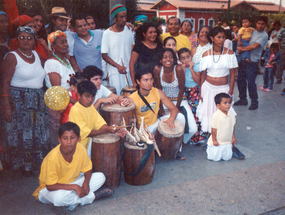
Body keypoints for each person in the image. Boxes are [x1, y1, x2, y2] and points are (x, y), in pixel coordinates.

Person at [0, 26, 49, 176]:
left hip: (37, 101)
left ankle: (35, 164)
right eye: (22, 37)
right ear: (16, 39)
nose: (26, 40)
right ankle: (23, 167)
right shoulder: (11, 57)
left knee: (37, 133)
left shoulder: (36, 55)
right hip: (18, 102)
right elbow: (5, 83)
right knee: (21, 135)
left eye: (29, 37)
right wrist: (6, 106)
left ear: (35, 41)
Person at [32, 122, 114, 212]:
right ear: (59, 140)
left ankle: (68, 203)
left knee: (100, 177)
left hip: (73, 182)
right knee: (59, 199)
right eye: (65, 138)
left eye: (72, 138)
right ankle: (93, 197)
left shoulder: (80, 148)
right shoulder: (53, 158)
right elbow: (50, 186)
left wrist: (86, 183)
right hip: (50, 190)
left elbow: (87, 169)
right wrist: (74, 187)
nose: (69, 142)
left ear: (79, 139)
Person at [129, 69, 186, 159]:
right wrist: (145, 133)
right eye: (145, 80)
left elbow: (174, 109)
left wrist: (171, 119)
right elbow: (134, 122)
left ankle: (177, 150)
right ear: (138, 81)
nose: (149, 82)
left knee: (180, 117)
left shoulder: (157, 92)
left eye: (151, 79)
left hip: (156, 124)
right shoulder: (132, 99)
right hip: (143, 129)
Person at [196, 26, 237, 133]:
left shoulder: (230, 54)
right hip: (208, 89)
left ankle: (228, 141)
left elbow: (232, 74)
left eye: (223, 37)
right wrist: (201, 92)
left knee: (225, 115)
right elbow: (203, 75)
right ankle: (212, 141)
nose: (222, 40)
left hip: (223, 89)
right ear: (212, 38)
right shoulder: (206, 54)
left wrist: (230, 92)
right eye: (219, 37)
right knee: (210, 114)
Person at [69, 80, 126, 157]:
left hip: (85, 146)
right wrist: (107, 130)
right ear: (79, 95)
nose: (90, 100)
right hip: (75, 149)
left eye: (93, 96)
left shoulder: (90, 107)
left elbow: (99, 124)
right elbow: (86, 133)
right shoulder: (76, 110)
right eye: (87, 96)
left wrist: (112, 129)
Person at [154, 48, 197, 144]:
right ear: (160, 60)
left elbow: (181, 89)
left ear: (174, 59)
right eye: (165, 57)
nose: (168, 59)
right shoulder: (157, 69)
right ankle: (167, 144)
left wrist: (176, 108)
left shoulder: (178, 69)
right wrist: (161, 107)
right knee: (161, 125)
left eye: (171, 57)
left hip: (180, 100)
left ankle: (181, 142)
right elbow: (159, 90)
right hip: (165, 100)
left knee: (193, 129)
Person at [45, 30, 75, 147]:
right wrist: (76, 102)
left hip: (69, 101)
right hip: (60, 106)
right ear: (53, 46)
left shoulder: (66, 60)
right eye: (61, 42)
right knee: (60, 138)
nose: (65, 45)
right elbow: (57, 91)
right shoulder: (52, 63)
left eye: (66, 42)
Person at [235, 16, 268, 110]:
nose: (260, 26)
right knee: (240, 80)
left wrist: (242, 49)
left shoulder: (264, 35)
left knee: (251, 82)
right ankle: (243, 99)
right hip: (243, 60)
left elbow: (254, 46)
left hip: (252, 62)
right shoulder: (252, 32)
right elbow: (243, 39)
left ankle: (254, 102)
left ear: (265, 25)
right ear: (256, 24)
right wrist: (239, 46)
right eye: (259, 23)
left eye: (263, 24)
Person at [101, 4, 135, 94]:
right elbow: (104, 55)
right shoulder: (107, 34)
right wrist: (118, 66)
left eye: (125, 17)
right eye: (121, 17)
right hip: (115, 72)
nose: (124, 19)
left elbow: (132, 49)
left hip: (129, 72)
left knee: (130, 98)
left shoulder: (129, 31)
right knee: (118, 99)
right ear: (115, 19)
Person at [190, 25, 212, 143]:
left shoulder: (212, 49)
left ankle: (205, 134)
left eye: (206, 32)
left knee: (205, 109)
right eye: (201, 32)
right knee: (195, 109)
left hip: (206, 82)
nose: (203, 34)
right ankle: (195, 135)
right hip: (194, 83)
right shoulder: (194, 49)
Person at [178, 48, 203, 144]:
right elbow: (181, 82)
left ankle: (197, 137)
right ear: (180, 60)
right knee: (188, 115)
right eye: (183, 58)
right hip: (186, 93)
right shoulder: (180, 68)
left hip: (195, 92)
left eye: (188, 57)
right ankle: (188, 136)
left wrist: (191, 69)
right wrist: (183, 70)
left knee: (196, 114)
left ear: (191, 57)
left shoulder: (196, 66)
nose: (186, 60)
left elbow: (197, 80)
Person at [129, 22, 163, 87]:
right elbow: (132, 64)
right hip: (143, 80)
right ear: (144, 34)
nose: (153, 34)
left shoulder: (160, 46)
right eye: (150, 32)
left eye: (155, 32)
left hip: (157, 80)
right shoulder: (139, 46)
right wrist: (134, 82)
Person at [206, 93, 237, 162]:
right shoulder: (216, 115)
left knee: (227, 158)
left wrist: (233, 137)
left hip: (227, 141)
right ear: (218, 106)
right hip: (218, 141)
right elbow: (214, 129)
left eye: (229, 102)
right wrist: (214, 140)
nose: (228, 104)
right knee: (215, 158)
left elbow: (232, 127)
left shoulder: (231, 114)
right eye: (225, 103)